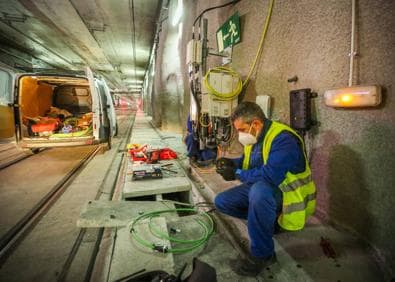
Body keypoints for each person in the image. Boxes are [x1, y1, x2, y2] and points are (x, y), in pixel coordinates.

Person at [214, 101, 316, 277]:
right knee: (222, 201)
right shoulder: (255, 137)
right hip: (266, 190)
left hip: (288, 194)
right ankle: (268, 223)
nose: (240, 134)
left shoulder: (283, 139)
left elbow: (269, 176)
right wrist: (232, 163)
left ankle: (263, 255)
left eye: (241, 130)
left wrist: (236, 173)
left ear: (255, 124)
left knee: (259, 191)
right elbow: (250, 163)